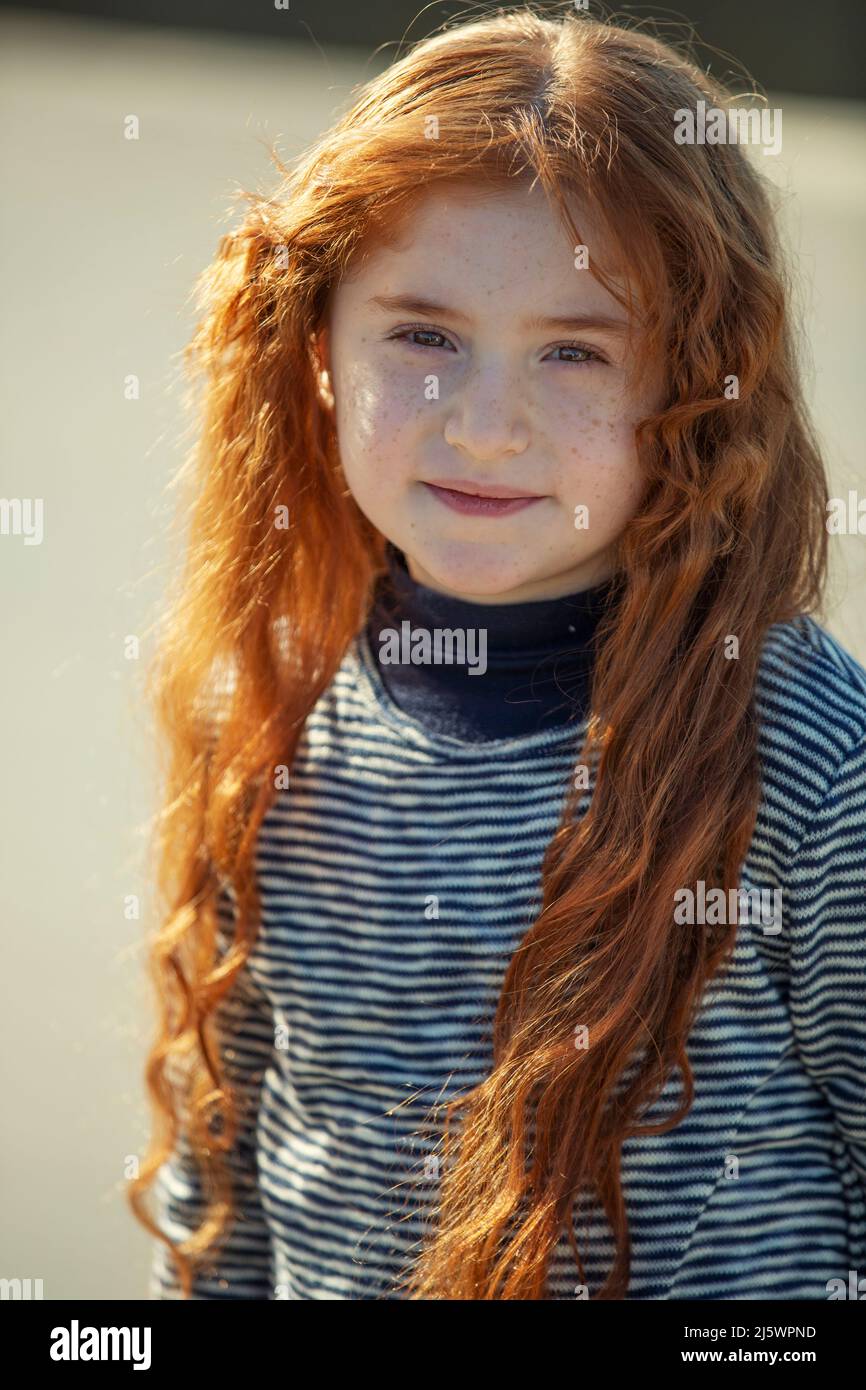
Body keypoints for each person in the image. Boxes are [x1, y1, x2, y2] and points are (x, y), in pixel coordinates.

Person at [130, 6, 866, 1300]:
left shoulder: (805, 761)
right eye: (421, 335)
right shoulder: (269, 705)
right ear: (314, 347)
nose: (482, 428)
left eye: (574, 352)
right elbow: (225, 1170)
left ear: (696, 386)